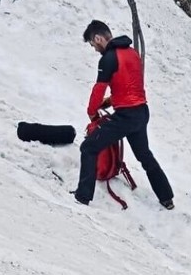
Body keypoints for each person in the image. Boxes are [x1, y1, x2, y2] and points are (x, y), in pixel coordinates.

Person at [73, 21, 174, 208]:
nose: (95, 49)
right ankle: (166, 198)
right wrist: (110, 102)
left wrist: (91, 111)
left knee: (88, 147)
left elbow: (98, 89)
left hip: (125, 117)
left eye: (93, 45)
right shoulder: (132, 53)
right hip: (142, 112)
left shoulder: (108, 59)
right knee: (145, 156)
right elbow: (130, 86)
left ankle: (82, 197)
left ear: (98, 38)